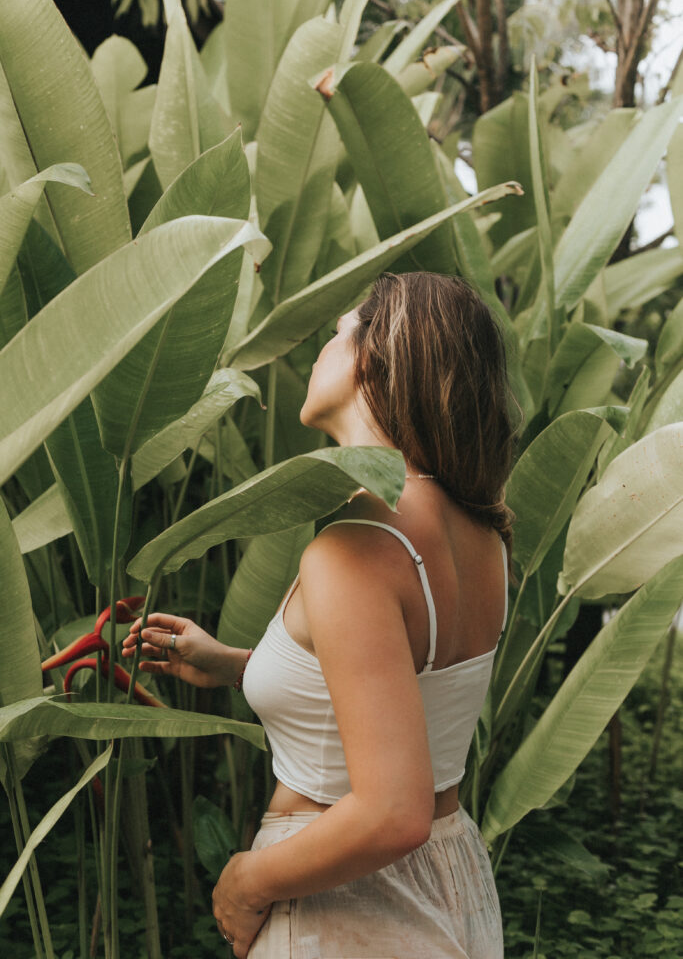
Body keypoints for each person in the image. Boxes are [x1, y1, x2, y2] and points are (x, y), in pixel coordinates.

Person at [122, 271, 516, 959]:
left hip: (348, 900)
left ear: (374, 357)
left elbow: (393, 814)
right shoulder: (477, 532)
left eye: (336, 333)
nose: (317, 352)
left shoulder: (355, 549)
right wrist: (236, 664)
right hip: (450, 882)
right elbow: (395, 691)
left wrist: (245, 882)